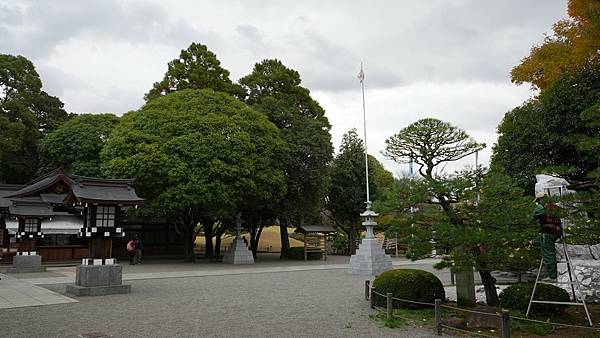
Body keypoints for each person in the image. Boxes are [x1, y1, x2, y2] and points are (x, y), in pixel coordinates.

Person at [532, 192, 562, 282]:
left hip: (547, 233)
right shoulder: (554, 206)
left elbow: (533, 217)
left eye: (538, 200)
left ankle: (552, 276)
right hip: (556, 232)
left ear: (541, 199)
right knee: (535, 242)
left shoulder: (540, 207)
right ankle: (542, 251)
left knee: (549, 254)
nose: (538, 202)